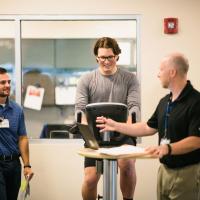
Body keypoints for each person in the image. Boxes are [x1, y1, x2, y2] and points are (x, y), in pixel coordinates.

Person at [96, 52, 200, 200]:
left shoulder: (196, 101)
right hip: (164, 171)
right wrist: (116, 125)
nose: (158, 74)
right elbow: (147, 128)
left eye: (161, 70)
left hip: (187, 173)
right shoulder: (165, 101)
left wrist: (167, 148)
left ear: (172, 72)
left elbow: (197, 140)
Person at [75, 37, 140, 200]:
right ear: (97, 57)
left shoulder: (129, 78)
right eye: (102, 57)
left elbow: (134, 107)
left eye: (110, 57)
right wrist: (86, 131)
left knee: (127, 165)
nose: (106, 61)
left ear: (117, 56)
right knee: (90, 179)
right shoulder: (86, 80)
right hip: (95, 134)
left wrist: (129, 129)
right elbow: (80, 109)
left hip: (122, 131)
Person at [0, 67, 34, 200]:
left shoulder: (16, 110)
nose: (7, 85)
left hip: (14, 164)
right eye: (2, 83)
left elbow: (22, 138)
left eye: (8, 82)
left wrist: (27, 165)